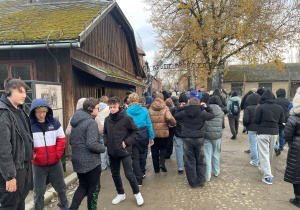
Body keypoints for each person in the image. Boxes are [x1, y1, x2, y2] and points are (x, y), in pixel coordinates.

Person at [103, 96, 144, 206]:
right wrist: (107, 142)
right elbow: (105, 133)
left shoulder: (127, 118)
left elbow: (136, 131)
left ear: (119, 106)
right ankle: (120, 193)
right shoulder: (107, 120)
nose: (112, 109)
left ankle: (137, 193)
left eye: (114, 107)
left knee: (129, 174)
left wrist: (126, 142)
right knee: (115, 174)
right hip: (112, 152)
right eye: (110, 107)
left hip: (125, 151)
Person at [30, 98, 69, 210]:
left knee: (61, 187)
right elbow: (26, 142)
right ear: (34, 112)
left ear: (47, 111)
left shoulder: (54, 122)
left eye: (43, 112)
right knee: (38, 191)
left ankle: (64, 205)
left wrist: (57, 154)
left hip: (54, 162)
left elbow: (61, 138)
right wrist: (32, 154)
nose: (41, 115)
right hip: (38, 164)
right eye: (38, 112)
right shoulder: (30, 125)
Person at [0, 78, 33, 210]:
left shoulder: (19, 110)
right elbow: (3, 149)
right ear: (8, 92)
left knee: (20, 202)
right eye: (20, 91)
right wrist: (10, 176)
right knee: (10, 205)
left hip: (24, 167)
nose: (24, 95)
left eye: (25, 92)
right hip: (13, 170)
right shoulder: (3, 113)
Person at [69, 97, 105, 209]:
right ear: (90, 109)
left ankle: (72, 208)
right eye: (97, 108)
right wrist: (103, 148)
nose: (98, 111)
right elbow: (92, 144)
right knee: (94, 188)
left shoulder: (75, 120)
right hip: (91, 162)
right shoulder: (91, 122)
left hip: (77, 160)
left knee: (83, 186)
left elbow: (71, 141)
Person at [174, 98, 214, 188]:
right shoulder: (202, 113)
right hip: (199, 138)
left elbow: (175, 115)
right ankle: (201, 180)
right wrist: (207, 107)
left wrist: (180, 108)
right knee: (200, 160)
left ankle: (193, 183)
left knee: (189, 161)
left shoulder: (184, 112)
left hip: (187, 138)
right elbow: (212, 115)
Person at [254, 90, 284, 184]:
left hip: (263, 132)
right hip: (274, 132)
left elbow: (256, 120)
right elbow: (281, 121)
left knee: (263, 153)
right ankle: (266, 169)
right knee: (270, 153)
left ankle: (267, 176)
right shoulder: (279, 107)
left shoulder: (260, 107)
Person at [126, 93, 154, 186]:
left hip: (132, 135)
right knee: (143, 154)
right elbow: (149, 124)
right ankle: (142, 171)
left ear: (129, 100)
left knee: (135, 157)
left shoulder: (126, 112)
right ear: (138, 100)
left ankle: (138, 179)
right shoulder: (145, 111)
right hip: (143, 134)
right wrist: (151, 137)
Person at [149, 93, 176, 173]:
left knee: (154, 151)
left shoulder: (150, 108)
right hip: (163, 133)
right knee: (163, 148)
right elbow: (169, 117)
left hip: (153, 133)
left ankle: (156, 169)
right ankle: (162, 163)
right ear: (163, 99)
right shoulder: (165, 107)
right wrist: (174, 123)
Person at [283, 87, 300, 208]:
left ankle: (298, 198)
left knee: (296, 173)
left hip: (297, 147)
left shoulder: (293, 118)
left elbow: (286, 135)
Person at [204, 96, 224, 181]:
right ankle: (216, 171)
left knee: (207, 155)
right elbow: (222, 125)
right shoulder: (221, 112)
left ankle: (207, 176)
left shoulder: (206, 110)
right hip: (217, 135)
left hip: (207, 135)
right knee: (216, 153)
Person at [243, 93, 260, 167]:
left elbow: (246, 119)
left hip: (251, 128)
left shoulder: (248, 108)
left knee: (253, 145)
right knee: (258, 145)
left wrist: (245, 126)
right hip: (260, 128)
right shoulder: (260, 107)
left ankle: (255, 161)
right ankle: (259, 159)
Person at [174, 93, 189, 174]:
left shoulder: (176, 109)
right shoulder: (190, 109)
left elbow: (174, 116)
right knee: (187, 150)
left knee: (179, 150)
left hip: (178, 132)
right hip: (187, 132)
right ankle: (187, 164)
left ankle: (180, 168)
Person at [96, 96, 111, 171]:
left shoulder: (96, 108)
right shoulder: (108, 108)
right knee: (108, 147)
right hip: (106, 129)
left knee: (101, 148)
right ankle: (109, 162)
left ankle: (102, 165)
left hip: (98, 129)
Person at [274, 88, 290, 156]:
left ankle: (276, 146)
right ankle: (281, 146)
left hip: (276, 119)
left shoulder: (275, 100)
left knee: (275, 134)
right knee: (282, 133)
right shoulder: (287, 101)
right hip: (285, 119)